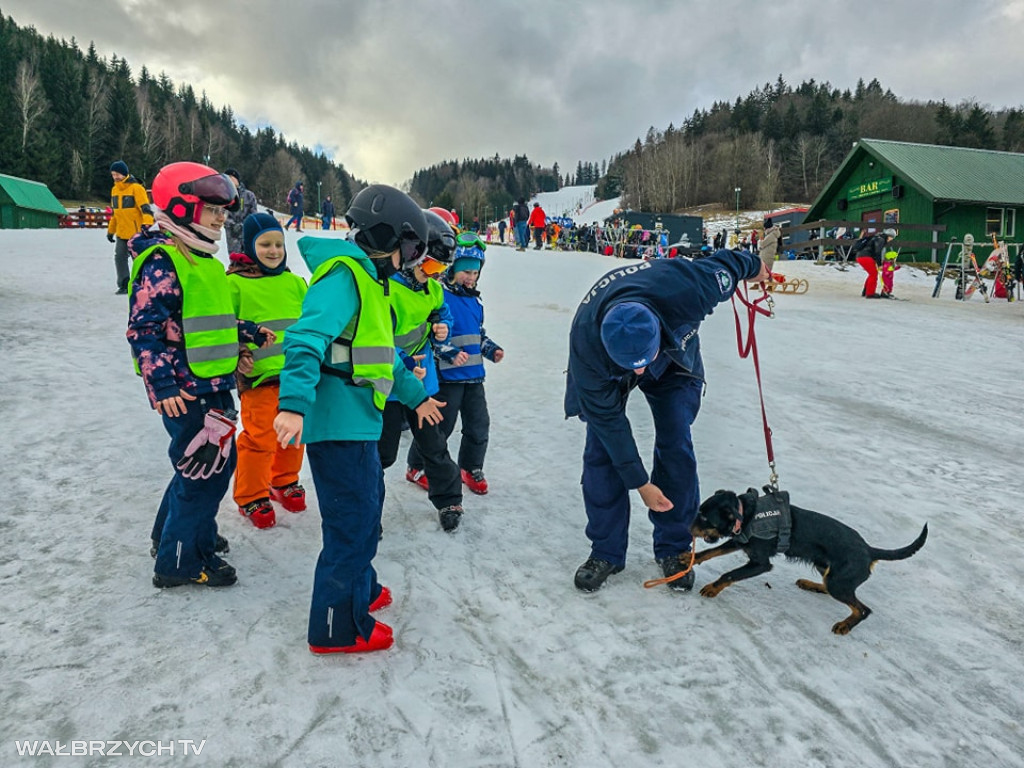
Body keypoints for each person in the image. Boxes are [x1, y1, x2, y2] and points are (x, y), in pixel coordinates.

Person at [273, 184, 445, 654]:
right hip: (336, 423)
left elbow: (382, 357)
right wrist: (293, 403)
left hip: (360, 422)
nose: (411, 261)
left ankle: (360, 587)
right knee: (350, 525)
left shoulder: (372, 283)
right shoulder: (343, 279)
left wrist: (417, 398)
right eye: (409, 249)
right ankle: (335, 627)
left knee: (367, 515)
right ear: (384, 237)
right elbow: (305, 339)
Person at [564, 249, 770, 593]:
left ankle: (675, 546)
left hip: (674, 357)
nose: (640, 372)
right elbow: (610, 424)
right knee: (601, 448)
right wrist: (641, 484)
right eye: (633, 365)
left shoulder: (690, 288)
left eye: (644, 361)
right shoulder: (587, 346)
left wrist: (755, 267)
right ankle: (606, 551)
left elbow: (730, 263)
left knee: (676, 439)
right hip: (607, 370)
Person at [127, 161, 275, 588]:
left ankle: (171, 533)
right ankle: (181, 561)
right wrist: (162, 384)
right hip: (185, 390)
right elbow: (145, 330)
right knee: (204, 474)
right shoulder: (164, 260)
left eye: (222, 210)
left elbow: (209, 320)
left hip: (213, 384)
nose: (220, 217)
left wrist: (243, 338)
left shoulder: (206, 260)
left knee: (197, 467)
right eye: (210, 209)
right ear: (179, 205)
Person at [377, 209, 466, 533]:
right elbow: (379, 336)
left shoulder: (434, 289)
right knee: (381, 453)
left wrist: (442, 325)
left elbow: (442, 312)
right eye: (430, 265)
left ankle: (449, 497)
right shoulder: (386, 288)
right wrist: (403, 364)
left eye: (441, 269)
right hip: (390, 383)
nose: (435, 274)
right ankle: (369, 509)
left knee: (434, 443)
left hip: (423, 384)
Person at [226, 213, 309, 530]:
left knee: (295, 435)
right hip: (258, 378)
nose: (273, 250)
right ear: (249, 245)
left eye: (278, 244)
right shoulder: (233, 284)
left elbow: (310, 324)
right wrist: (238, 352)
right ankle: (251, 495)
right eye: (265, 244)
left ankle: (283, 480)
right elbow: (221, 327)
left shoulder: (294, 283)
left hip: (296, 378)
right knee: (259, 438)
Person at [408, 233, 504, 496]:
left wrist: (491, 349)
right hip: (447, 379)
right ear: (451, 269)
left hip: (474, 378)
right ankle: (416, 465)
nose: (470, 277)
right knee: (440, 427)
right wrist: (449, 352)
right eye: (465, 271)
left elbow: (478, 334)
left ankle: (470, 467)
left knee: (478, 425)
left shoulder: (475, 302)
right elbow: (432, 334)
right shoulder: (442, 298)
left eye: (474, 272)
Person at [108, 160, 154, 294]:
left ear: (124, 174)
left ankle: (145, 283)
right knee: (119, 257)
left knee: (139, 259)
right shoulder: (114, 190)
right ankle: (124, 284)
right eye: (113, 175)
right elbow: (115, 213)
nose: (115, 177)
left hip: (137, 233)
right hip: (122, 233)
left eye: (117, 174)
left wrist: (147, 225)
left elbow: (146, 209)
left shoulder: (136, 188)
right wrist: (111, 231)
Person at [849, 228, 896, 298]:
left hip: (861, 256)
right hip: (865, 257)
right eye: (891, 238)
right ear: (889, 236)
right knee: (873, 274)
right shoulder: (881, 239)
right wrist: (879, 264)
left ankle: (865, 291)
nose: (891, 240)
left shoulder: (877, 237)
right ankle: (870, 293)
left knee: (871, 273)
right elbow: (878, 252)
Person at [223, 168, 259, 254]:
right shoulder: (224, 196)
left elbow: (253, 213)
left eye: (232, 177)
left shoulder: (249, 195)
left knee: (249, 257)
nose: (230, 179)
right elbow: (222, 214)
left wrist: (244, 225)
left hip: (247, 232)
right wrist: (232, 225)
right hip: (232, 234)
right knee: (235, 259)